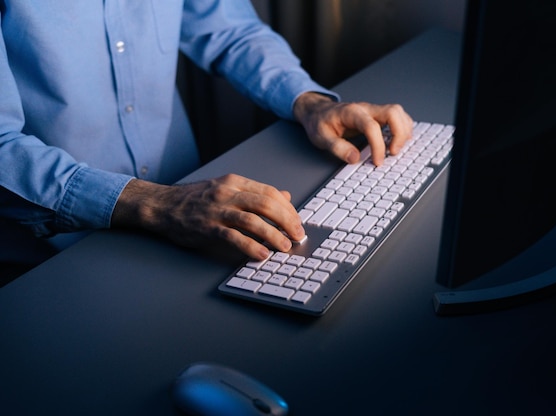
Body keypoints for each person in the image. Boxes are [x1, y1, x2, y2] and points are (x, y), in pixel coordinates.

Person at [0, 0, 413, 269]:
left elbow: (232, 30)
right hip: (52, 259)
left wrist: (310, 103)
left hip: (193, 215)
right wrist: (154, 203)